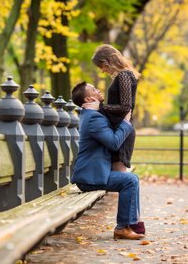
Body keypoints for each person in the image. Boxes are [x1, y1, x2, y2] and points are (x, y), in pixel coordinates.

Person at [71, 82, 144, 240]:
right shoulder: (93, 118)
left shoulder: (90, 115)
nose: (98, 90)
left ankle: (132, 224)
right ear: (90, 97)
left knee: (133, 179)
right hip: (90, 177)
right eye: (94, 89)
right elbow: (113, 143)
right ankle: (122, 227)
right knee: (130, 181)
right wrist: (125, 121)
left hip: (93, 173)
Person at [86, 44, 140, 173]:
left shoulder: (124, 76)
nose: (102, 71)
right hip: (118, 131)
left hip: (122, 132)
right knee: (115, 178)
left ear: (109, 62)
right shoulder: (121, 77)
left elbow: (126, 106)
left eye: (102, 66)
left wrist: (100, 107)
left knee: (119, 178)